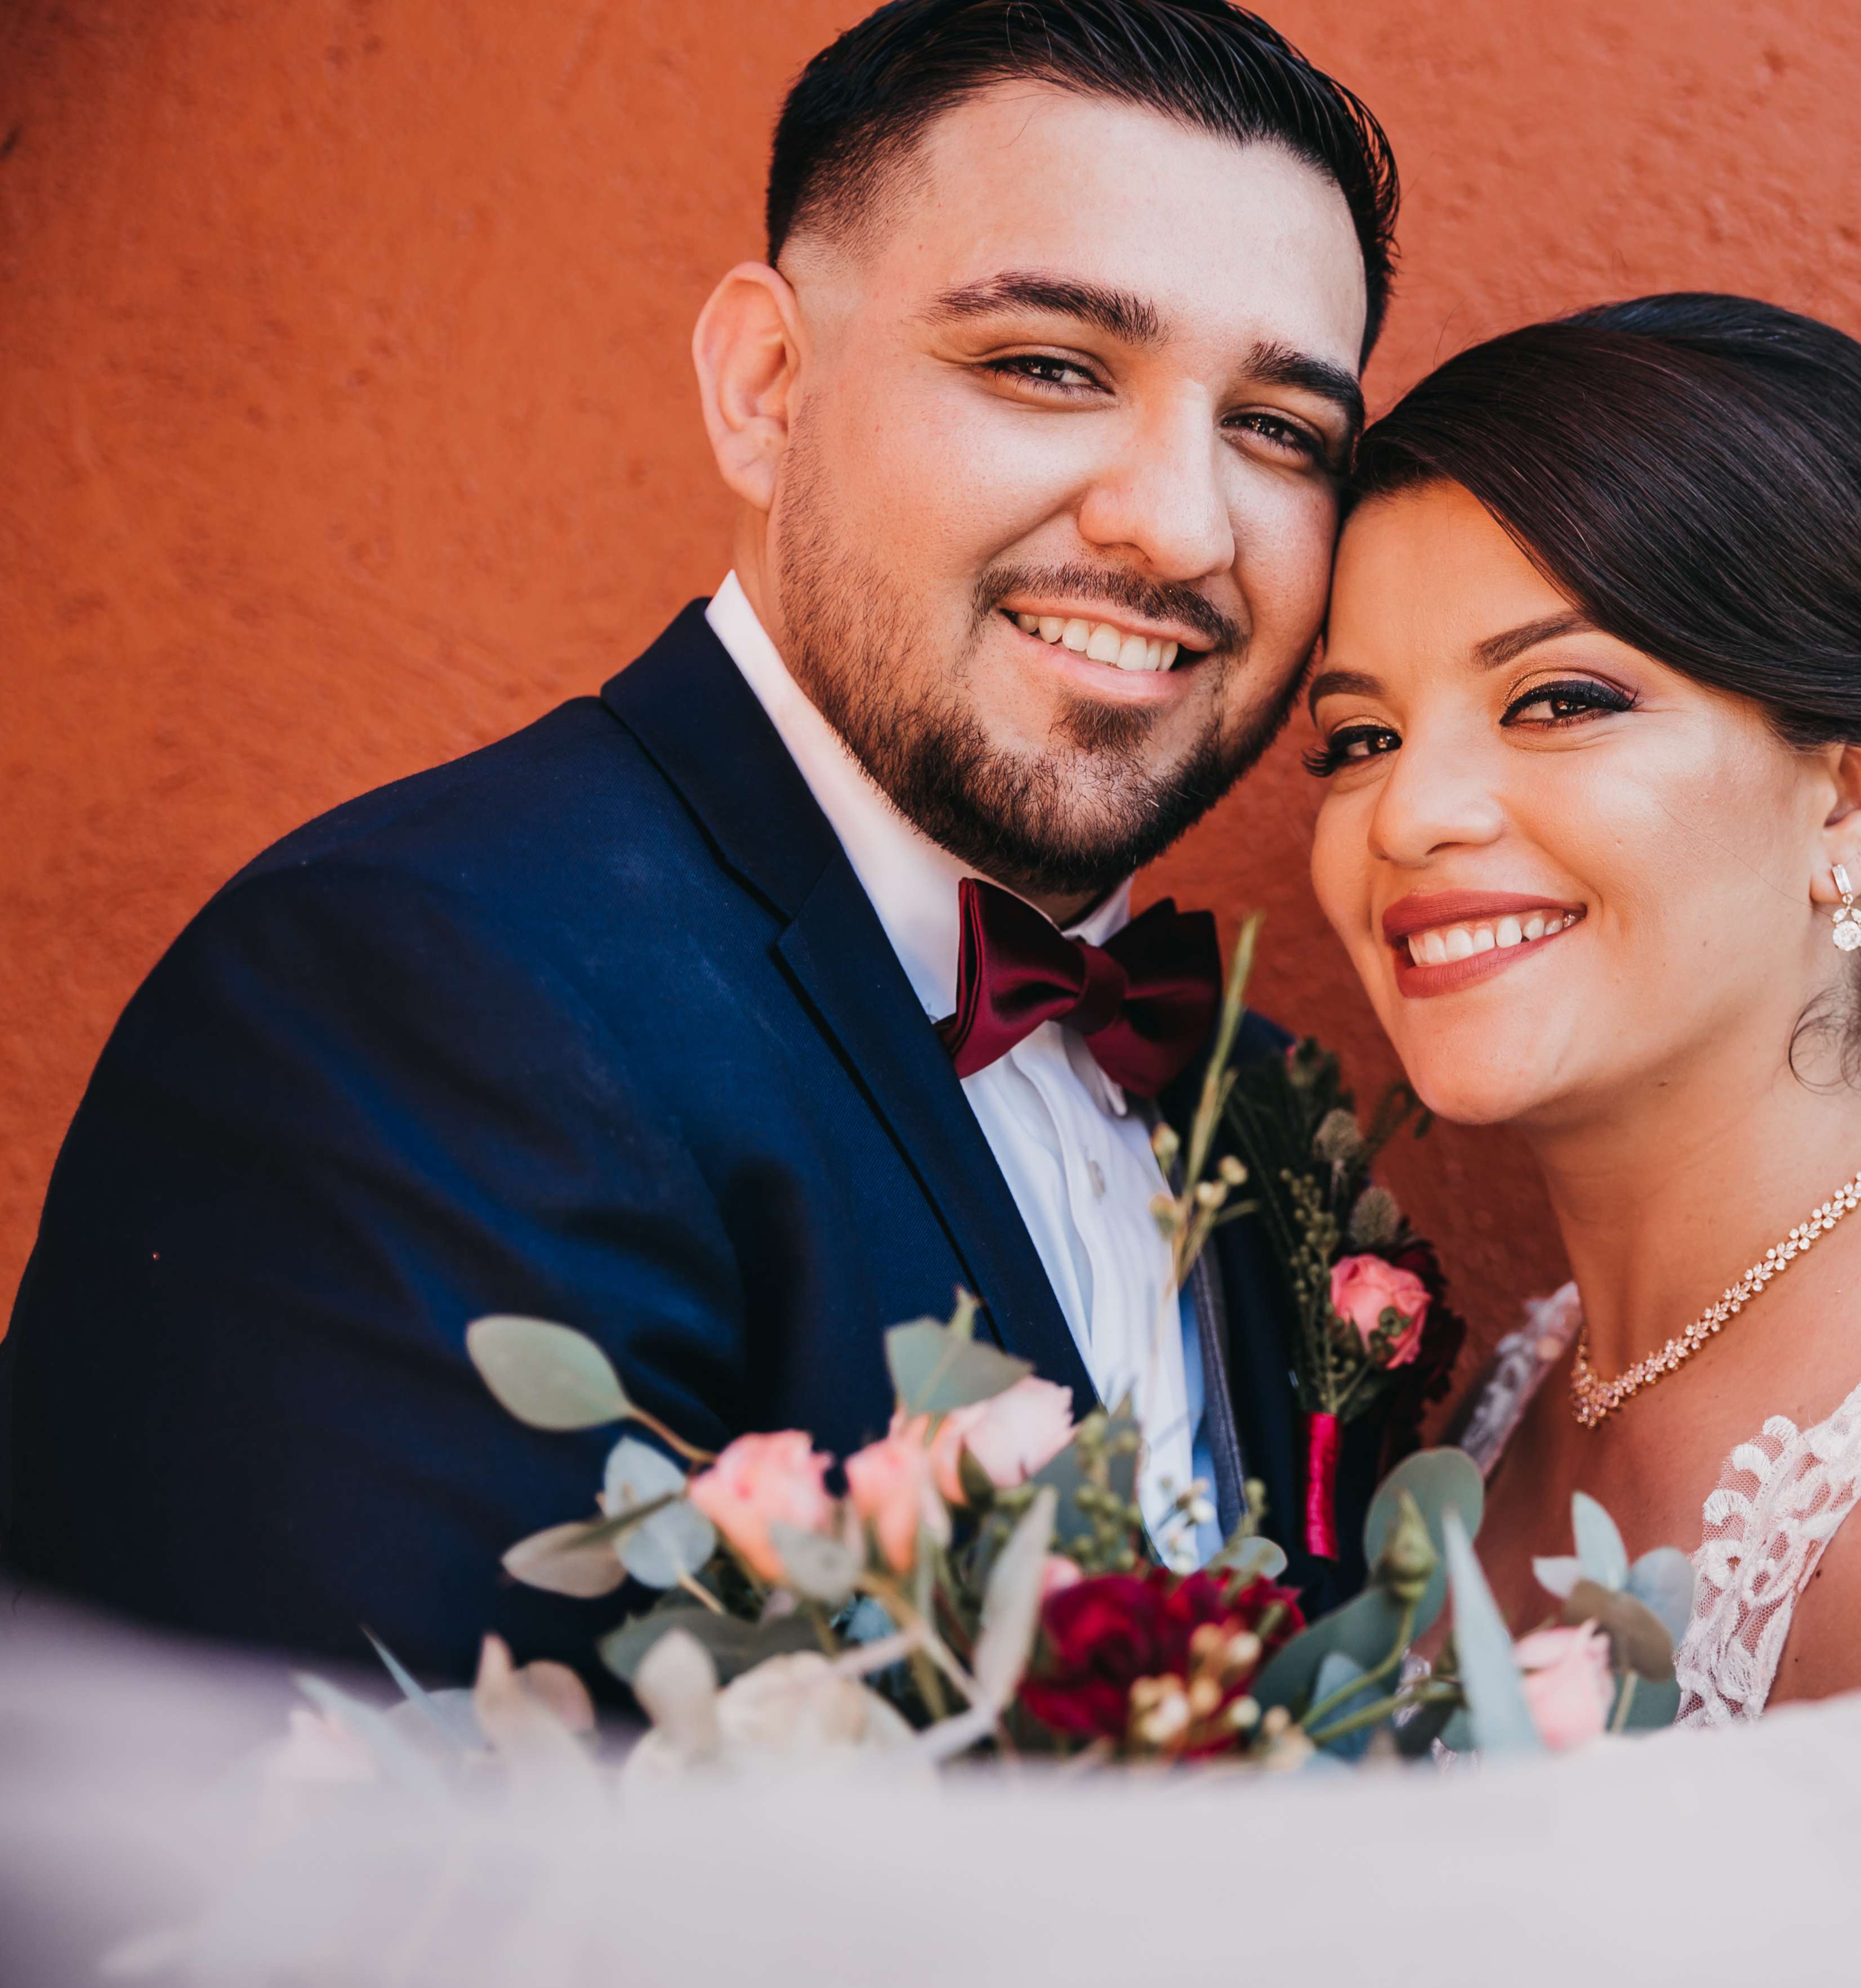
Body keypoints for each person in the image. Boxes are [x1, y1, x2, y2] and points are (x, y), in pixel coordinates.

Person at [1, 0, 1404, 1679]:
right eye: (1048, 364)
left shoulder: (1254, 1122)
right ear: (766, 386)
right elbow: (298, 1891)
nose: (1180, 524)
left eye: (1279, 431)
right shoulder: (406, 998)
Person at [1304, 298, 1861, 1717]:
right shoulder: (1537, 1373)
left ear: (1847, 797)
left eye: (1559, 699)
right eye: (1358, 737)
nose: (1409, 814)